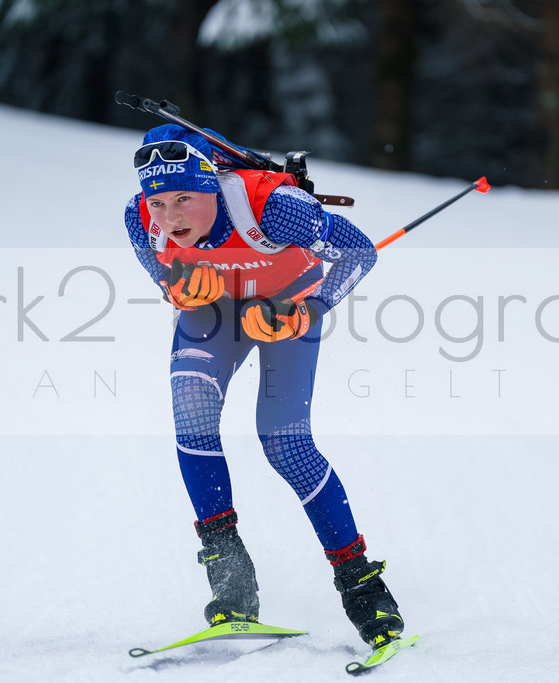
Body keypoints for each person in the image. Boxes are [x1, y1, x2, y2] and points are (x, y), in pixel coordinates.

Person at [122, 123, 405, 649]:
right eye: (158, 201)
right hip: (213, 315)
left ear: (211, 185)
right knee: (193, 412)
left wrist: (306, 310)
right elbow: (162, 277)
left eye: (184, 197)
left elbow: (360, 252)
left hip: (289, 306)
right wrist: (178, 289)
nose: (170, 217)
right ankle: (230, 583)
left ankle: (363, 587)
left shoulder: (273, 208)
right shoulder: (139, 220)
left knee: (285, 443)